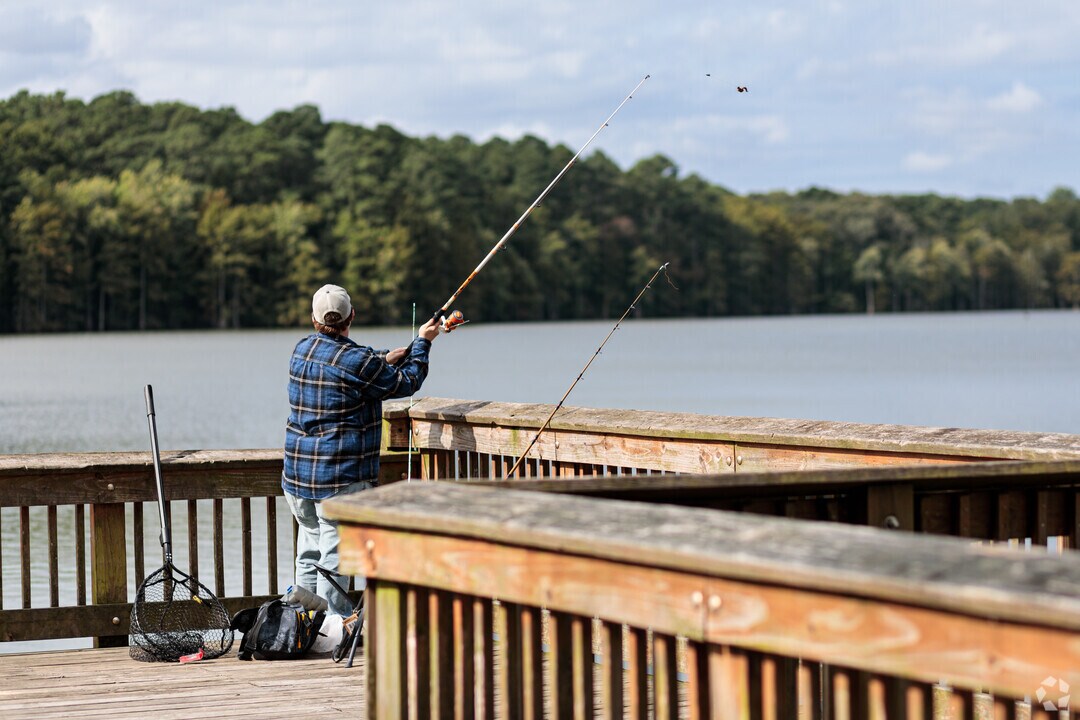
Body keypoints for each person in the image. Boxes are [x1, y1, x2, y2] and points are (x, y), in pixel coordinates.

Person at [282, 283, 440, 617]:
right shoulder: (356, 363)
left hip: (297, 477)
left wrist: (385, 357)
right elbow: (406, 382)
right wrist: (423, 343)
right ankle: (334, 626)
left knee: (309, 549)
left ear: (313, 319)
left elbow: (347, 362)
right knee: (334, 557)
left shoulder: (301, 350)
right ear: (352, 315)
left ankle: (301, 621)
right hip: (338, 478)